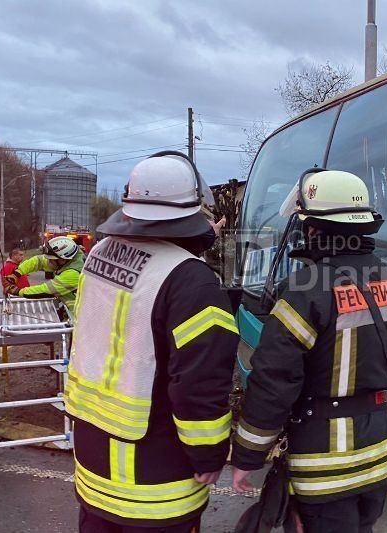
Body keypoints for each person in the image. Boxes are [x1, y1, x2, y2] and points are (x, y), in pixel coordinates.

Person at [231, 170, 387, 533]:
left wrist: (247, 455)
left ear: (315, 229)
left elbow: (274, 381)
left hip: (323, 468)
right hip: (381, 454)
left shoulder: (304, 290)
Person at [66, 151, 238, 532]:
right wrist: (208, 454)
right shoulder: (192, 281)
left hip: (93, 465)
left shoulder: (97, 255)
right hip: (156, 484)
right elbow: (199, 384)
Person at [4, 236, 84, 316]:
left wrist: (17, 291)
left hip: (81, 316)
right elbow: (39, 261)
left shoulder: (73, 273)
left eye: (51, 259)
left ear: (62, 260)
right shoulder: (69, 259)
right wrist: (17, 273)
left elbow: (46, 290)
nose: (48, 261)